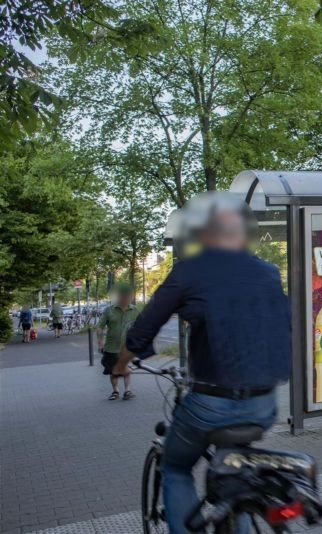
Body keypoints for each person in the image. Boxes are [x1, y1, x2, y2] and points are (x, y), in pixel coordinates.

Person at [114, 203, 291, 534]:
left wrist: (119, 365)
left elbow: (142, 330)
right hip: (264, 402)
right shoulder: (267, 271)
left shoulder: (190, 271)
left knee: (176, 465)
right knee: (233, 475)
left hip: (211, 403)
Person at [98, 283, 139, 400]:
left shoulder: (134, 310)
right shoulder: (109, 310)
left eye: (128, 296)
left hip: (127, 347)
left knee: (125, 367)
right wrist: (100, 342)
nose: (125, 298)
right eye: (123, 295)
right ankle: (115, 391)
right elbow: (100, 327)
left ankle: (127, 391)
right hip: (111, 347)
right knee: (113, 370)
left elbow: (140, 327)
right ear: (119, 296)